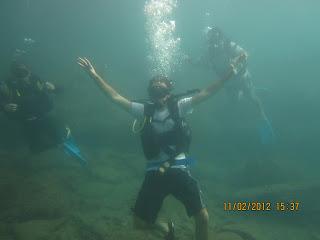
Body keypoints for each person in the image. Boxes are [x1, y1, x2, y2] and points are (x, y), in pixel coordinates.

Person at [77, 55, 244, 240]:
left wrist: (230, 72)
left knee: (202, 217)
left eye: (162, 88)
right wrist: (93, 75)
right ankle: (166, 229)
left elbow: (208, 92)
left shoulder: (179, 106)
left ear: (169, 91)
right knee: (139, 223)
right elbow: (115, 97)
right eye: (154, 90)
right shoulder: (144, 110)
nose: (159, 95)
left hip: (178, 168)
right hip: (154, 171)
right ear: (150, 93)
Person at [198, 26, 274, 144]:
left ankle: (263, 118)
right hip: (228, 82)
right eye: (211, 38)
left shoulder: (229, 45)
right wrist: (190, 61)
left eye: (215, 37)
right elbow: (201, 63)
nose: (214, 41)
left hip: (242, 78)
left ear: (219, 36)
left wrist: (237, 59)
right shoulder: (209, 52)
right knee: (234, 101)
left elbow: (244, 53)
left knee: (253, 99)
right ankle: (249, 92)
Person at [0, 62, 86, 164]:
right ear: (13, 75)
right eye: (18, 74)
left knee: (58, 135)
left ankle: (64, 137)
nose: (22, 77)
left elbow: (61, 90)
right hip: (27, 122)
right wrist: (5, 107)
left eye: (24, 73)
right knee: (36, 149)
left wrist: (54, 88)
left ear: (29, 72)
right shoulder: (8, 87)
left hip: (44, 117)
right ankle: (58, 144)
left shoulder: (36, 81)